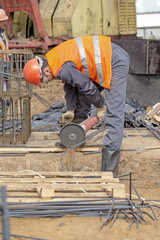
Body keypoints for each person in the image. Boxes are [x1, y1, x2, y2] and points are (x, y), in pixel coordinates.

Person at [23, 35, 130, 173]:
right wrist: (71, 110)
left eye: (45, 80)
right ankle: (76, 136)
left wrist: (100, 106)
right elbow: (70, 85)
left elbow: (87, 87)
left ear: (46, 71)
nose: (48, 82)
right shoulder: (53, 60)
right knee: (83, 95)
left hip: (115, 61)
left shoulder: (60, 67)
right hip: (106, 59)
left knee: (114, 111)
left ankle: (110, 166)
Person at [0, 9, 10, 118]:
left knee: (6, 96)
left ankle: (3, 120)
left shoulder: (2, 34)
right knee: (2, 97)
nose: (5, 22)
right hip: (1, 70)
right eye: (2, 21)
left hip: (5, 69)